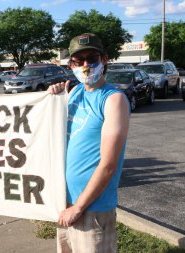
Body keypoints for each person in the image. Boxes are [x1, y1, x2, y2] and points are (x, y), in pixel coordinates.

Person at [48, 33, 130, 253]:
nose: (85, 65)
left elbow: (109, 164)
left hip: (92, 210)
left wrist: (79, 207)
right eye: (78, 60)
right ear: (70, 65)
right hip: (65, 205)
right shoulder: (74, 92)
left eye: (92, 58)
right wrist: (53, 99)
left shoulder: (113, 100)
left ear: (104, 60)